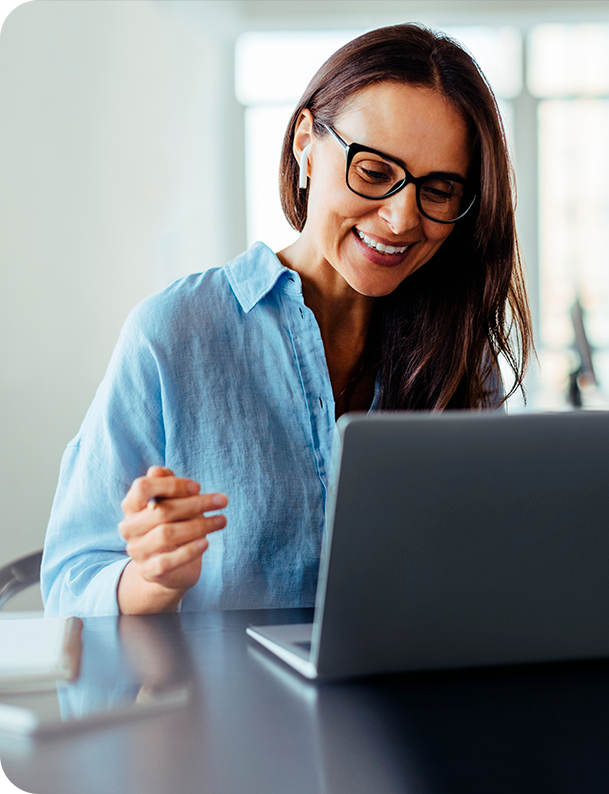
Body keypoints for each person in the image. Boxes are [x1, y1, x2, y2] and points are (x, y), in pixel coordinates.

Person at [41, 23, 532, 617]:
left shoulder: (457, 351)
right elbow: (69, 582)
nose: (403, 218)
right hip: (225, 708)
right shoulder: (173, 335)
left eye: (439, 190)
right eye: (374, 172)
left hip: (413, 704)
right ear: (305, 142)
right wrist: (152, 580)